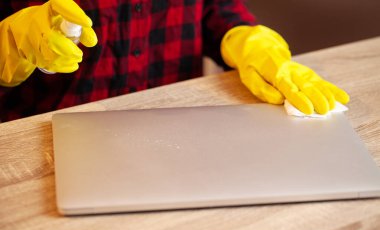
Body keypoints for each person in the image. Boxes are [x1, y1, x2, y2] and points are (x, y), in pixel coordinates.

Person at [0, 0, 349, 122]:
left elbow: (217, 10)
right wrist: (10, 45)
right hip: (45, 139)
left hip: (177, 130)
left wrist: (249, 41)